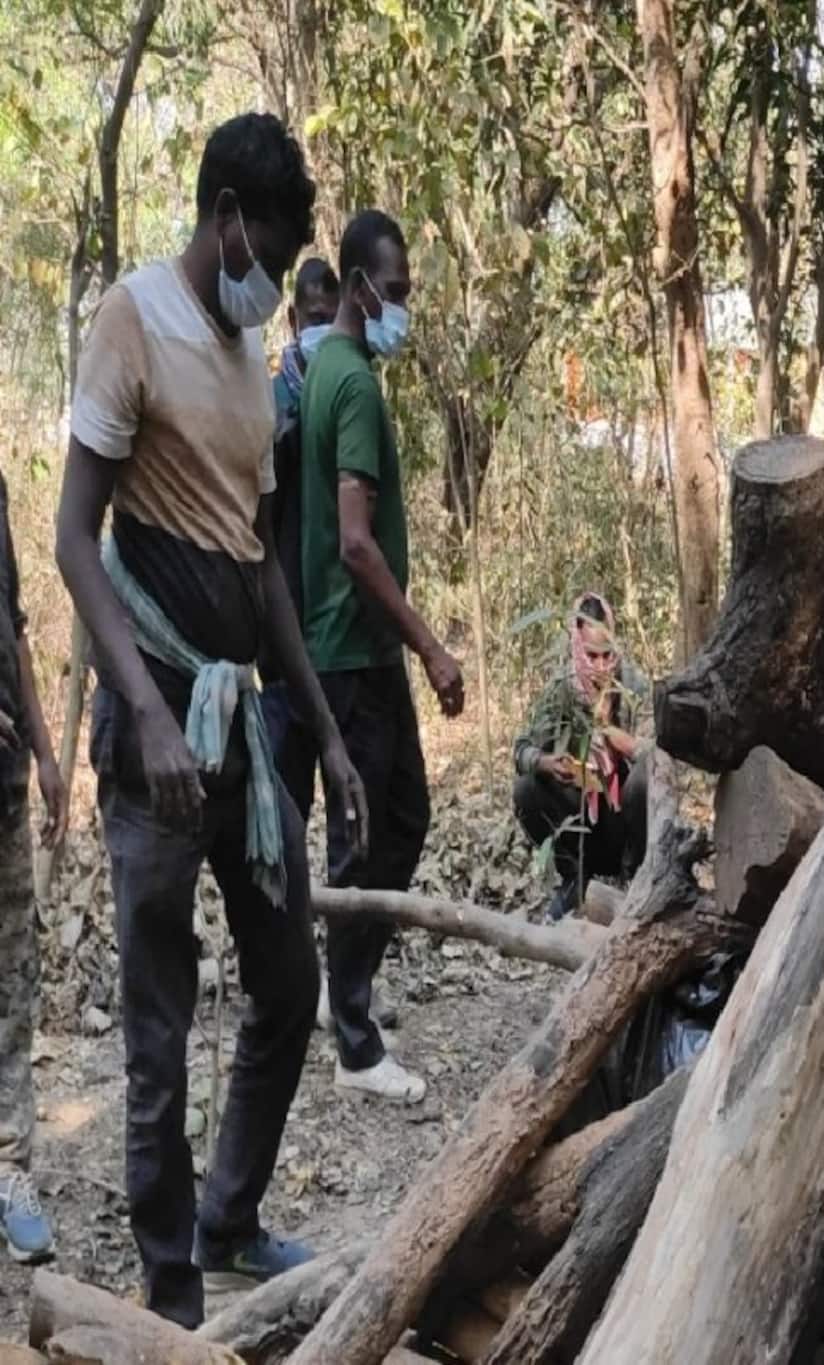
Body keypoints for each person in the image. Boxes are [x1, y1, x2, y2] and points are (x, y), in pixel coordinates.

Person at [56, 112, 368, 1324]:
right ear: (227, 216)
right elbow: (77, 542)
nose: (278, 282)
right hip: (160, 738)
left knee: (288, 981)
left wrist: (328, 736)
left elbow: (265, 563)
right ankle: (173, 1284)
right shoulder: (132, 320)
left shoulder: (250, 359)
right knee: (159, 1021)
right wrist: (140, 714)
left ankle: (229, 1219)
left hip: (242, 732)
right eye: (275, 250)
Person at [291, 208, 464, 1105]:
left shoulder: (327, 365)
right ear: (359, 286)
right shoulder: (351, 383)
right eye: (394, 292)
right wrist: (430, 644)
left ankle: (342, 986)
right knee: (366, 836)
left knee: (401, 817)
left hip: (353, 651)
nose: (403, 306)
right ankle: (354, 1042)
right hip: (354, 651)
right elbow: (356, 545)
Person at [0, 469, 67, 1265]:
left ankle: (11, 1169)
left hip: (5, 778)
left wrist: (48, 751)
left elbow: (14, 624)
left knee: (13, 977)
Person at [513, 593, 651, 922]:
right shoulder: (561, 689)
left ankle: (634, 876)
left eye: (608, 656)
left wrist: (619, 739)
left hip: (626, 825)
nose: (601, 666)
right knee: (525, 788)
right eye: (592, 656)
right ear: (577, 648)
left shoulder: (633, 685)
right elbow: (521, 749)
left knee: (646, 776)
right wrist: (547, 764)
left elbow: (659, 752)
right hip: (580, 820)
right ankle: (575, 878)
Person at [260, 258, 339, 791]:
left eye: (332, 320)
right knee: (287, 791)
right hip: (281, 625)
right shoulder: (269, 402)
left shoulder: (346, 398)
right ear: (292, 320)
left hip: (335, 631)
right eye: (314, 319)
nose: (322, 331)